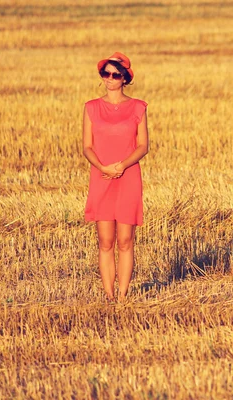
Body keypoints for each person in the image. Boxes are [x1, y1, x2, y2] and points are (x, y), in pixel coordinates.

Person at [82, 52, 149, 302]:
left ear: (125, 79)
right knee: (105, 240)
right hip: (101, 177)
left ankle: (123, 295)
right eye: (105, 73)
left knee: (125, 240)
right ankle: (108, 295)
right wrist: (103, 167)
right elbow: (86, 146)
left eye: (115, 74)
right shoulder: (91, 107)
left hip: (129, 176)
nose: (109, 78)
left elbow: (143, 145)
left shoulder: (138, 107)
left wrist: (122, 165)